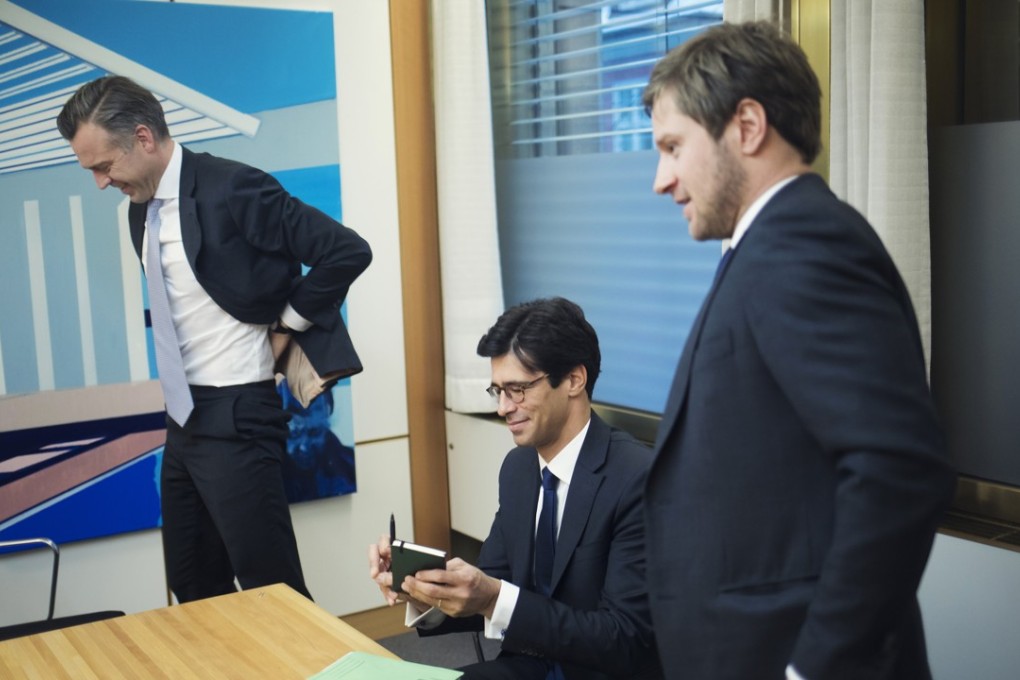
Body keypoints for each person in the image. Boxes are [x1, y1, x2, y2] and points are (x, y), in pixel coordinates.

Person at [641, 21, 957, 680]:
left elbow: (897, 471)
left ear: (748, 126)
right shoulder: (765, 248)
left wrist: (815, 668)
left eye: (673, 147)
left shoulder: (805, 247)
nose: (661, 179)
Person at [57, 75, 371, 604]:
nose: (101, 183)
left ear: (143, 137)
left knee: (273, 593)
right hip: (182, 421)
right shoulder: (142, 209)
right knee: (194, 585)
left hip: (239, 416)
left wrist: (285, 326)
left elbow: (347, 250)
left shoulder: (235, 188)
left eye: (103, 166)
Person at [369, 297, 662, 679]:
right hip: (529, 665)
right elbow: (492, 580)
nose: (503, 407)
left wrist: (492, 596)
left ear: (574, 379)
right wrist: (423, 586)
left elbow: (623, 639)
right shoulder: (519, 469)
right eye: (497, 391)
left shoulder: (637, 477)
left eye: (517, 389)